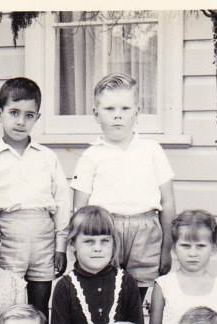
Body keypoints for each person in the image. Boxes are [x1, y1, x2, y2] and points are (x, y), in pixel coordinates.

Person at [0, 77, 70, 324]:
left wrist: (60, 246)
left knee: (40, 304)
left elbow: (62, 201)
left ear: (37, 118)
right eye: (14, 113)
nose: (20, 121)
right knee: (10, 303)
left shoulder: (47, 158)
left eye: (29, 115)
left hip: (42, 237)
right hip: (7, 237)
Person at [71, 73, 176, 298]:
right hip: (105, 231)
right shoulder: (91, 155)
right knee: (105, 294)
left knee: (137, 296)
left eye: (125, 108)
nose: (117, 115)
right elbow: (80, 209)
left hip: (146, 231)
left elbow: (168, 202)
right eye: (109, 109)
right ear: (96, 114)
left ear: (137, 112)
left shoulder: (152, 150)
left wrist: (167, 248)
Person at [49, 206, 144, 324]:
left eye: (104, 241)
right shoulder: (65, 286)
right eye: (89, 242)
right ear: (72, 245)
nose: (98, 248)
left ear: (113, 243)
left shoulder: (126, 282)